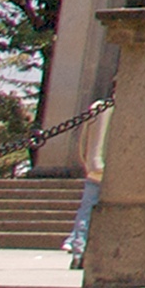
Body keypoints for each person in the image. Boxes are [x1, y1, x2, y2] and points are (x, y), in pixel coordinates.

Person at [63, 102, 108, 269]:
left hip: (94, 167)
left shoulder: (98, 107)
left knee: (86, 212)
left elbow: (83, 138)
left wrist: (86, 160)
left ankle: (79, 252)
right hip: (117, 168)